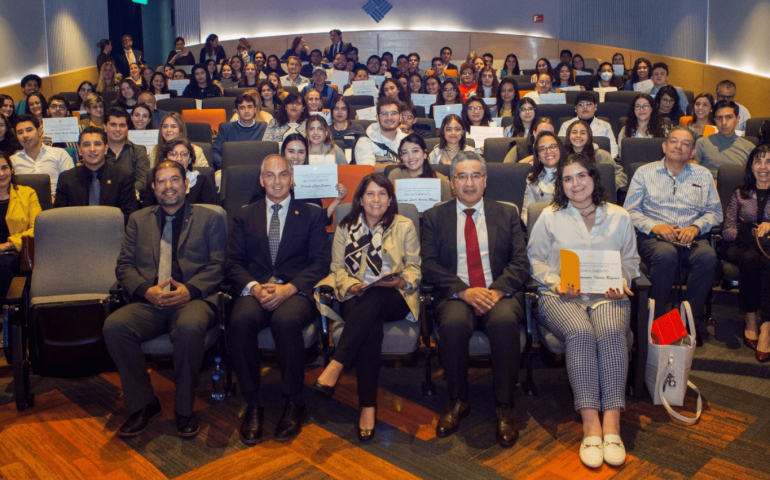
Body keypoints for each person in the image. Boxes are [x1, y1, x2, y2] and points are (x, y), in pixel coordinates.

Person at [528, 153, 640, 468]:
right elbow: (534, 260)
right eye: (567, 179)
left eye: (581, 176)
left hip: (607, 295)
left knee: (611, 331)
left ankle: (612, 424)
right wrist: (556, 282)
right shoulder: (550, 216)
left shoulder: (619, 216)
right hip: (562, 296)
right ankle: (591, 423)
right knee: (580, 332)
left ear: (593, 178)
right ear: (560, 185)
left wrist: (621, 279)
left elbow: (631, 261)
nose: (575, 184)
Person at [103, 160, 226, 438]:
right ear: (153, 188)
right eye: (162, 181)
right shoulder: (138, 219)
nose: (168, 186)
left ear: (186, 184)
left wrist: (190, 290)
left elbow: (219, 265)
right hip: (150, 301)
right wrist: (146, 290)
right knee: (115, 326)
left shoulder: (210, 218)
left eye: (174, 180)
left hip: (193, 299)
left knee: (188, 328)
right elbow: (124, 266)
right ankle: (144, 404)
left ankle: (184, 409)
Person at [421, 151, 528, 447]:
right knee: (453, 325)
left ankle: (505, 404)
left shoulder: (506, 213)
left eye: (475, 175)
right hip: (457, 293)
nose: (469, 183)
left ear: (485, 181)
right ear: (452, 183)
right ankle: (457, 400)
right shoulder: (434, 216)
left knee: (505, 322)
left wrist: (495, 291)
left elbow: (520, 262)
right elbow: (428, 264)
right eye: (462, 176)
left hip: (498, 291)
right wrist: (463, 291)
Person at [226, 154, 330, 444]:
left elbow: (321, 263)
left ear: (292, 179)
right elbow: (232, 263)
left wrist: (289, 288)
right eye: (270, 175)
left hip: (295, 291)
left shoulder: (311, 214)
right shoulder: (244, 214)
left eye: (283, 175)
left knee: (285, 322)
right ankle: (253, 402)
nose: (276, 181)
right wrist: (255, 288)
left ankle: (294, 400)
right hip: (257, 288)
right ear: (261, 181)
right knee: (240, 321)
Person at [312, 173, 421, 442]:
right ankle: (368, 407)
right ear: (360, 198)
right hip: (356, 296)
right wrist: (350, 286)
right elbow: (336, 268)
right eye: (370, 193)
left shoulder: (404, 225)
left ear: (390, 199)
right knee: (369, 322)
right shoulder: (344, 227)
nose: (376, 199)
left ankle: (337, 365)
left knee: (374, 297)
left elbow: (415, 267)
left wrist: (400, 281)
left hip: (394, 297)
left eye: (382, 194)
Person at [623, 127, 722, 343]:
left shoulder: (703, 175)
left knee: (708, 257)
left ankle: (689, 323)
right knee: (666, 255)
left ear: (693, 151)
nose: (679, 146)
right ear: (664, 146)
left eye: (685, 143)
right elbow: (629, 211)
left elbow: (715, 213)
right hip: (654, 239)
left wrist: (696, 227)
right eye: (674, 141)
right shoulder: (644, 172)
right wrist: (655, 226)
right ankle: (657, 324)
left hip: (692, 238)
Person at [722, 145, 770, 361]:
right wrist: (746, 229)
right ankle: (751, 319)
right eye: (758, 161)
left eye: (769, 161)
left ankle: (766, 327)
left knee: (766, 263)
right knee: (751, 258)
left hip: (767, 251)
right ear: (751, 166)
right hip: (740, 248)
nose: (763, 167)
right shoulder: (740, 193)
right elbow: (727, 231)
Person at [53, 126, 137, 223]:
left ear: (105, 149)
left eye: (97, 144)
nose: (92, 149)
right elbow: (58, 216)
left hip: (112, 234)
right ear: (79, 150)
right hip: (76, 234)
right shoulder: (67, 178)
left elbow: (130, 216)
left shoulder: (123, 176)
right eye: (86, 145)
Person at [0, 152, 41, 307]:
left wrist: (7, 245)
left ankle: (9, 314)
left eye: (5, 168)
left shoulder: (27, 193)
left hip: (18, 251)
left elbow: (37, 227)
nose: (2, 173)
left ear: (11, 170)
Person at [11, 114, 74, 198]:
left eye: (29, 130)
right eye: (20, 132)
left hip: (57, 204)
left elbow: (71, 185)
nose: (25, 135)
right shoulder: (13, 160)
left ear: (39, 131)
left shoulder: (59, 154)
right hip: (27, 206)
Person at [144, 138, 216, 207]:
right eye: (173, 154)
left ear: (190, 159)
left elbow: (210, 211)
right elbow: (148, 213)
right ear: (165, 158)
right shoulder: (155, 182)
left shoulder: (201, 181)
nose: (179, 158)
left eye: (184, 154)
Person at [693, 100, 754, 179]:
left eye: (729, 117)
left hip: (736, 189)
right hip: (708, 188)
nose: (724, 122)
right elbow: (693, 172)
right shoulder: (702, 143)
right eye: (719, 118)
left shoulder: (749, 147)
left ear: (737, 119)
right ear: (714, 120)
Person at [564, 120, 628, 189]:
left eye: (583, 133)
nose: (578, 136)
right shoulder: (562, 156)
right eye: (574, 132)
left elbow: (621, 176)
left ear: (589, 136)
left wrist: (606, 186)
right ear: (568, 136)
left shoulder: (602, 155)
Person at [389, 134, 452, 201]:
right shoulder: (395, 175)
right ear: (401, 157)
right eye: (405, 153)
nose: (410, 157)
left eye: (415, 151)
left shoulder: (440, 180)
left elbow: (450, 208)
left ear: (425, 154)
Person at [103, 107, 151, 197]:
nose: (118, 129)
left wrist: (123, 192)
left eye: (122, 125)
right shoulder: (98, 151)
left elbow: (143, 180)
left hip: (130, 199)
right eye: (113, 125)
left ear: (127, 128)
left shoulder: (138, 151)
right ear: (105, 127)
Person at [212, 94, 268, 171]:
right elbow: (215, 152)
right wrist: (226, 165)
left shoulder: (263, 128)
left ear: (255, 110)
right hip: (231, 169)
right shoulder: (226, 128)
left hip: (257, 169)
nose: (246, 111)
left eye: (249, 107)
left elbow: (269, 152)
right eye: (242, 108)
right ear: (237, 111)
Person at [557, 92, 619, 158]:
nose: (585, 107)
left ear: (595, 106)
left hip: (599, 161)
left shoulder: (605, 126)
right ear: (575, 108)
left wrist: (605, 160)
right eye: (581, 104)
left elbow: (613, 149)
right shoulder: (566, 125)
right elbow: (560, 148)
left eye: (589, 104)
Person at [521, 131, 563, 224]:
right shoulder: (532, 179)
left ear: (560, 149)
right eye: (542, 149)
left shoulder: (573, 174)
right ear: (538, 155)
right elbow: (526, 214)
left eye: (552, 146)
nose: (548, 151)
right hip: (544, 228)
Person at [354, 97, 407, 167]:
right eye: (384, 113)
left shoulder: (408, 140)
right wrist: (398, 166)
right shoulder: (365, 141)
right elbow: (367, 169)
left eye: (393, 113)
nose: (389, 118)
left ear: (400, 117)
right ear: (377, 118)